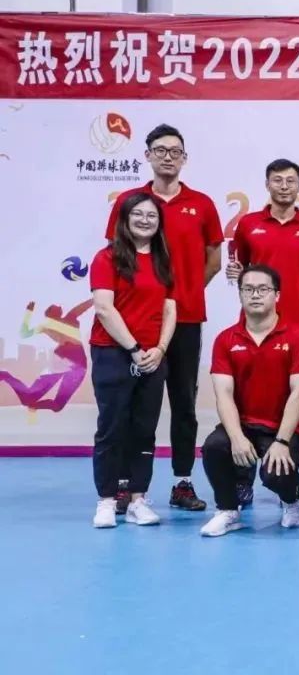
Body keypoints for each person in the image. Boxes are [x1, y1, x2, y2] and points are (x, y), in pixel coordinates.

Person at [104, 124, 223, 513]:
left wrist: (182, 293)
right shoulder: (130, 202)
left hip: (186, 320)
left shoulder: (202, 204)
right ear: (147, 155)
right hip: (140, 324)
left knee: (184, 404)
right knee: (136, 405)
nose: (168, 157)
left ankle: (181, 482)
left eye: (175, 151)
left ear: (184, 158)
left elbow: (214, 260)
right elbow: (117, 257)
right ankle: (126, 485)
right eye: (160, 150)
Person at [199, 265, 299, 537]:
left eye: (263, 289)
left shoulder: (298, 337)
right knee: (214, 448)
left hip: (281, 428)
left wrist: (282, 442)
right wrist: (236, 437)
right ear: (240, 294)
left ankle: (291, 502)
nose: (255, 295)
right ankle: (228, 511)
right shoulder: (226, 339)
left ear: (277, 295)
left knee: (276, 473)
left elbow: (298, 393)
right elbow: (224, 395)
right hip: (243, 425)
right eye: (248, 289)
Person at [88, 193, 176, 529]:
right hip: (113, 353)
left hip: (153, 357)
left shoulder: (162, 259)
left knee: (144, 429)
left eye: (151, 215)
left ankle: (138, 499)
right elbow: (104, 308)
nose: (144, 220)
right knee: (111, 428)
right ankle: (107, 500)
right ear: (124, 219)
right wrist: (135, 347)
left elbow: (170, 308)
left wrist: (160, 348)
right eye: (137, 214)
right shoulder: (107, 257)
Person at [226, 158, 299, 348]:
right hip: (255, 324)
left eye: (290, 181)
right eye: (277, 180)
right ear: (267, 184)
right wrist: (235, 273)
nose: (284, 186)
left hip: (298, 326)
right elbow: (241, 272)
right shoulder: (248, 224)